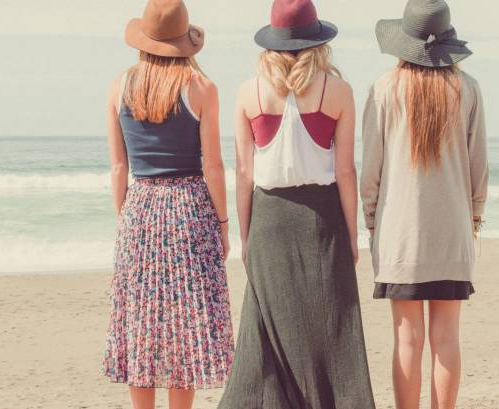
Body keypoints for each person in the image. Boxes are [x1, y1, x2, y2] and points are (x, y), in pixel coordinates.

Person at [217, 0, 376, 408]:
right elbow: (345, 172)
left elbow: (244, 174)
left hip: (269, 217)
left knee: (266, 331)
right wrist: (353, 233)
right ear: (317, 41)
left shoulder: (248, 92)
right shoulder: (336, 90)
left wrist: (247, 234)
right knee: (330, 329)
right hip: (321, 218)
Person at [102, 1, 234, 408]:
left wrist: (125, 217)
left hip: (140, 205)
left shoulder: (119, 85)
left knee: (141, 321)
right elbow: (212, 165)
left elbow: (119, 166)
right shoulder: (201, 89)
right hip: (189, 206)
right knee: (184, 323)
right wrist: (223, 221)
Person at [360, 1, 489, 408]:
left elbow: (372, 168)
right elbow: (478, 165)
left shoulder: (385, 88)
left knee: (406, 339)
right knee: (447, 338)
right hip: (452, 230)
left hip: (400, 232)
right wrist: (475, 215)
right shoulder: (467, 88)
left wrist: (371, 220)